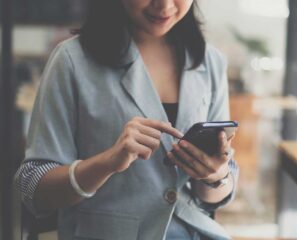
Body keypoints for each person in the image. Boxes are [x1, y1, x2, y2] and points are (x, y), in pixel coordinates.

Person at [15, 0, 239, 239]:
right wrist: (107, 162)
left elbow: (214, 197)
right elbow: (32, 186)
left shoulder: (210, 61)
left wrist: (216, 175)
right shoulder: (71, 60)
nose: (164, 5)